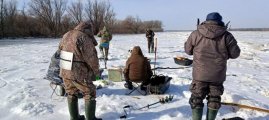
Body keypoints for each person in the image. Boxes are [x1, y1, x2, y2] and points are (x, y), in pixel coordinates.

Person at [184, 12, 240, 120]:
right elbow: (235, 54)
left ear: (206, 21)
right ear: (220, 22)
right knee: (214, 99)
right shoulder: (227, 36)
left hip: (199, 75)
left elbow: (188, 50)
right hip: (217, 75)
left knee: (196, 99)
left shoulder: (195, 34)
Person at [58, 21, 101, 120]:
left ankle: (74, 118)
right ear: (87, 29)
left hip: (65, 69)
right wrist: (97, 73)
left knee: (71, 92)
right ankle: (91, 118)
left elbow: (59, 50)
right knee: (90, 92)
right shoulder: (83, 37)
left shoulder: (67, 34)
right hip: (79, 72)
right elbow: (92, 58)